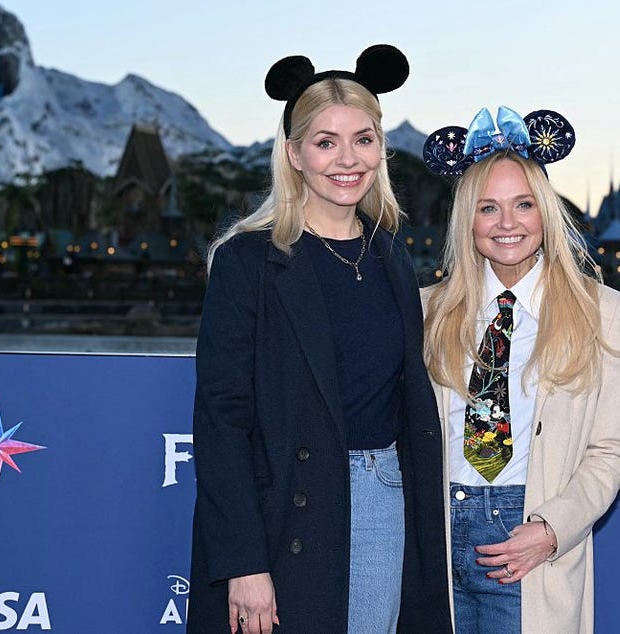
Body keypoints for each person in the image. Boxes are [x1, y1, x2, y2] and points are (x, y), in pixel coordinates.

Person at [188, 45, 452, 634]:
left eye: (363, 139)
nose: (347, 159)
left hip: (384, 498)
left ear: (381, 149)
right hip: (286, 513)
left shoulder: (391, 254)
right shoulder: (248, 261)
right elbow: (222, 419)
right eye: (325, 141)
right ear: (294, 153)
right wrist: (245, 562)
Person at [421, 106, 620, 633]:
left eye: (523, 204)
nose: (508, 223)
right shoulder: (425, 310)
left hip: (529, 538)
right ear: (466, 220)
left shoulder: (601, 310)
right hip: (434, 539)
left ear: (546, 211)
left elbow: (611, 450)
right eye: (488, 208)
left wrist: (551, 528)